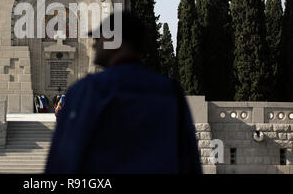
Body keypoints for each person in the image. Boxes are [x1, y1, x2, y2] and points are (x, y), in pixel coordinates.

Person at [45, 11, 201, 174]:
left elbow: (62, 160)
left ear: (114, 39)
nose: (94, 44)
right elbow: (189, 161)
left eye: (99, 38)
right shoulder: (170, 91)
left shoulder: (88, 90)